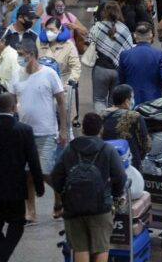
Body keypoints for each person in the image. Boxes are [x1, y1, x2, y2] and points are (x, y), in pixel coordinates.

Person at [51, 112, 127, 262]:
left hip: (73, 207)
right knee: (101, 247)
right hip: (101, 206)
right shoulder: (108, 149)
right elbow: (120, 176)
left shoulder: (70, 149)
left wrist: (62, 197)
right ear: (101, 129)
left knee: (80, 248)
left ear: (83, 129)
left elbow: (56, 175)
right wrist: (116, 195)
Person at [0, 93, 44, 262]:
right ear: (13, 107)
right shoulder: (24, 130)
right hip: (15, 186)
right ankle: (1, 257)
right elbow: (33, 160)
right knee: (17, 223)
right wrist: (39, 186)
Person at [13, 39, 67, 221]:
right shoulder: (17, 75)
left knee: (44, 172)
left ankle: (60, 196)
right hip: (24, 134)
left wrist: (63, 129)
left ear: (32, 55)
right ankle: (31, 211)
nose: (20, 58)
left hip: (46, 132)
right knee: (27, 174)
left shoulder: (49, 74)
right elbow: (12, 102)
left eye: (22, 55)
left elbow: (61, 102)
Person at [100, 85, 150, 169]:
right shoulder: (134, 116)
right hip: (131, 162)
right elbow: (146, 143)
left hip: (108, 161)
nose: (133, 100)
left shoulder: (102, 115)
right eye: (132, 98)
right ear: (126, 101)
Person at [39, 17, 81, 89]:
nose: (49, 32)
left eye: (52, 30)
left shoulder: (69, 46)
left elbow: (76, 67)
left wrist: (70, 83)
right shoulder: (39, 43)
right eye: (47, 29)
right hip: (42, 84)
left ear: (60, 30)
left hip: (62, 84)